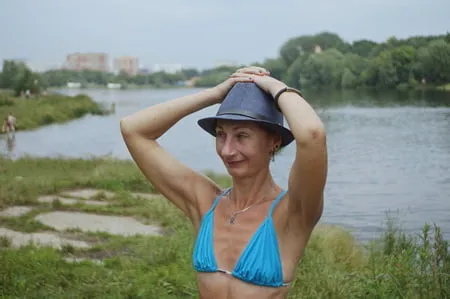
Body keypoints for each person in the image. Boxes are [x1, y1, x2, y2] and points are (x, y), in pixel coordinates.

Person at [120, 66, 327, 299]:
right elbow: (133, 129)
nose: (227, 150)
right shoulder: (205, 203)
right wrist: (216, 93)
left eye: (241, 136)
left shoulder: (292, 213)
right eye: (220, 134)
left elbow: (312, 135)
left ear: (274, 142)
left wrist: (274, 87)